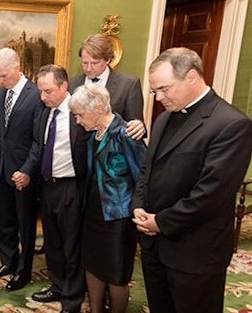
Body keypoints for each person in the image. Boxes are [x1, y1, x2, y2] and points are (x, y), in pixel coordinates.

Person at [132, 47, 252, 313]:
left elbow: (210, 195)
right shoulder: (164, 119)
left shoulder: (231, 124)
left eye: (164, 89)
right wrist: (139, 204)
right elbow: (146, 169)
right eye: (155, 91)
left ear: (192, 77)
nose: (159, 97)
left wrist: (160, 223)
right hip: (155, 246)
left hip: (195, 252)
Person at [69, 84, 147, 313]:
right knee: (92, 265)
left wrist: (139, 209)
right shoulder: (94, 134)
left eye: (80, 115)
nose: (78, 121)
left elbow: (142, 175)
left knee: (116, 273)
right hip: (93, 210)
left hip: (119, 216)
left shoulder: (126, 134)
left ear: (100, 108)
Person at [29, 64, 89, 313]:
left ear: (64, 86)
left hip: (71, 186)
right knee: (52, 241)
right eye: (40, 92)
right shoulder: (45, 112)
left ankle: (72, 297)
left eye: (48, 91)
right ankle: (57, 284)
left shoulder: (79, 113)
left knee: (71, 244)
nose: (43, 97)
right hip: (48, 186)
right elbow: (39, 145)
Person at [0, 47, 44, 291]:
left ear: (17, 67)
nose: (0, 81)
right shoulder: (1, 95)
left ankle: (24, 271)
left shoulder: (36, 95)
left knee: (25, 224)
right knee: (6, 221)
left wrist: (28, 170)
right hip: (3, 170)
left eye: (3, 76)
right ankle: (8, 262)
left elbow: (38, 139)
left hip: (25, 174)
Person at [68, 33, 145, 140]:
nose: (88, 68)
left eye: (95, 63)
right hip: (78, 152)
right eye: (85, 63)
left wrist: (139, 126)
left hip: (111, 152)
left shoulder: (128, 85)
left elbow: (135, 125)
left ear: (108, 60)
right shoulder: (72, 83)